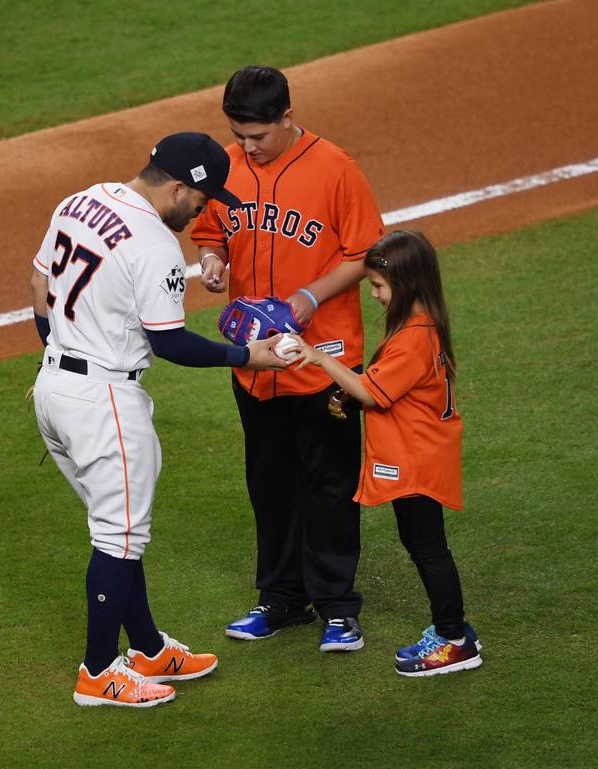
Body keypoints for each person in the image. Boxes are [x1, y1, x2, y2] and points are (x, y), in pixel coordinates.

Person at [29, 132, 287, 708]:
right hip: (103, 405)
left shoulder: (80, 200)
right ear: (177, 187)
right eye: (202, 199)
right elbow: (169, 342)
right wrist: (250, 355)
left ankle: (145, 646)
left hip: (55, 391)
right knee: (119, 538)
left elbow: (40, 284)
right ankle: (99, 672)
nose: (203, 210)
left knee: (119, 528)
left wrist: (55, 352)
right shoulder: (154, 246)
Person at [191, 65, 384, 652]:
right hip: (256, 363)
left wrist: (309, 295)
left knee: (328, 484)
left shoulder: (336, 170)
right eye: (239, 136)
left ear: (287, 118)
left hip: (323, 359)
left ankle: (337, 607)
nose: (248, 148)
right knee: (269, 483)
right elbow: (210, 231)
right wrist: (213, 260)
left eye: (259, 137)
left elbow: (367, 252)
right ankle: (280, 599)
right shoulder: (227, 165)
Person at [285, 229, 483, 676]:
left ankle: (454, 639)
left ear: (407, 283)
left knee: (428, 548)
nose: (374, 294)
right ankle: (453, 631)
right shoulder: (422, 325)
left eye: (378, 285)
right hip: (421, 452)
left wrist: (319, 358)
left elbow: (373, 393)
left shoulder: (414, 336)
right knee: (423, 545)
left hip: (416, 459)